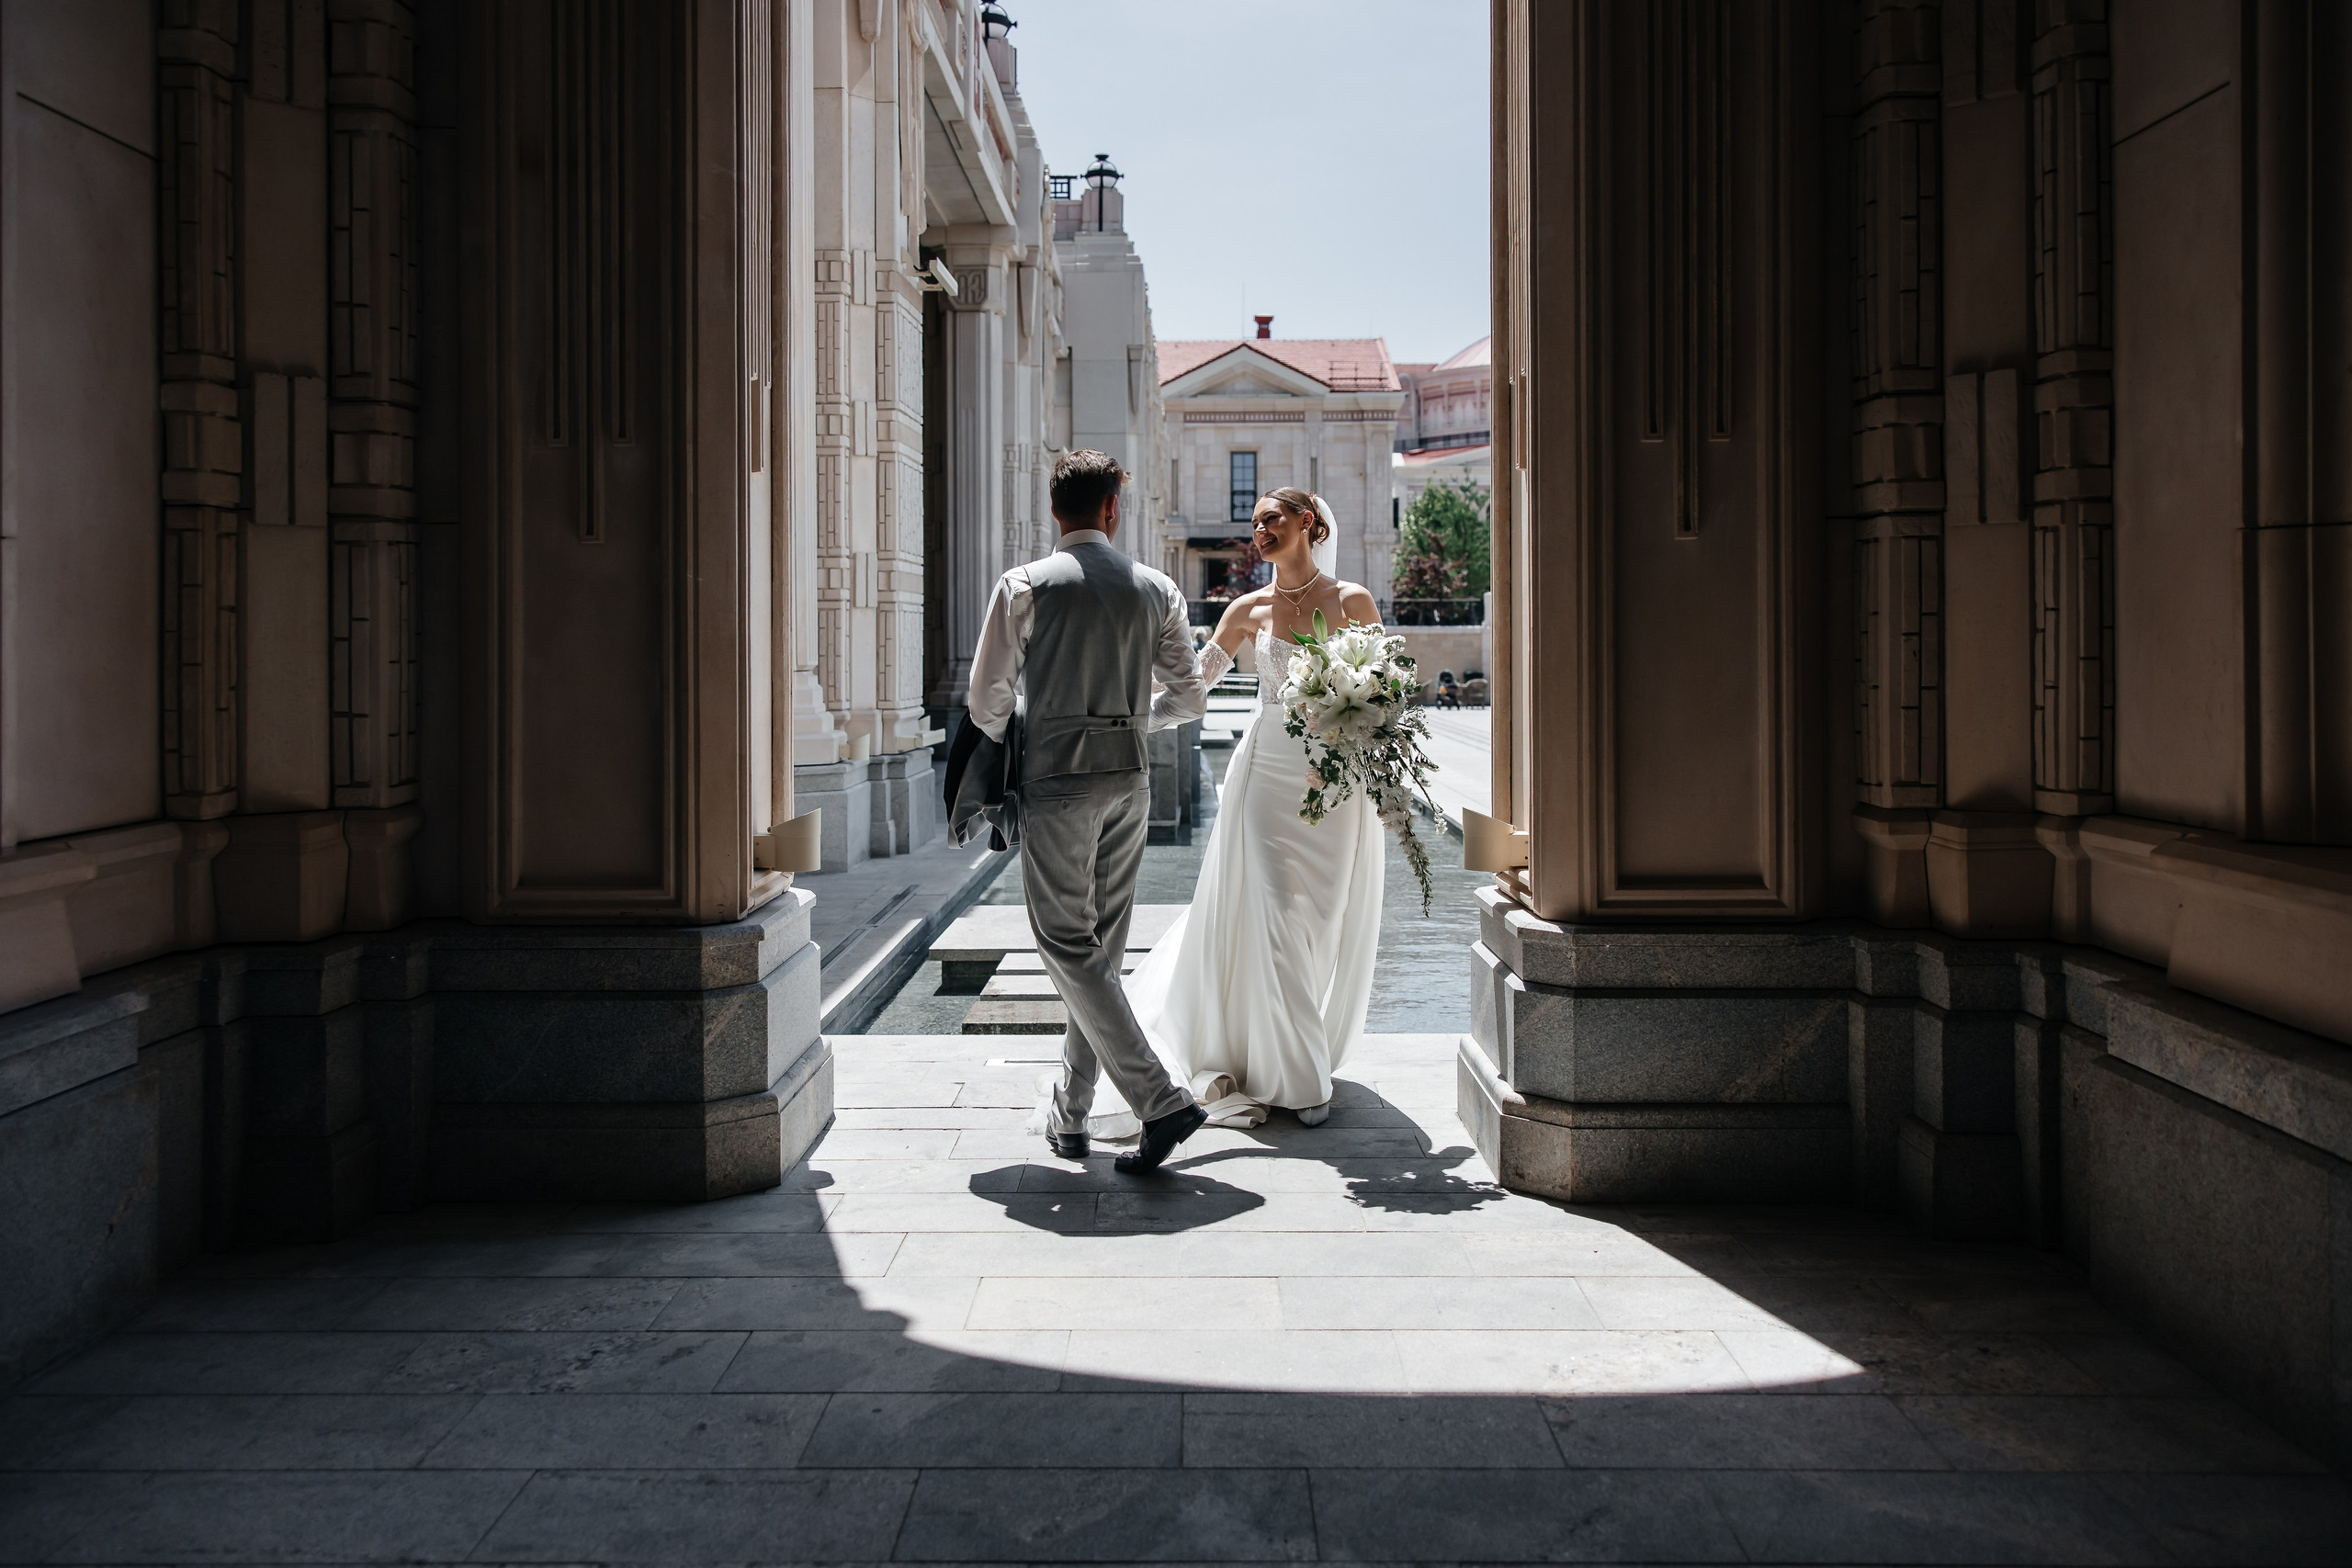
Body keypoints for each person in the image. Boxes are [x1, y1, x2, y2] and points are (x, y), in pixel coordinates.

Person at [1088, 487, 1387, 1134]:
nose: (1260, 531)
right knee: (1276, 907)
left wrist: (1359, 726)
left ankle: (1273, 1046)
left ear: (1308, 522)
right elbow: (1194, 683)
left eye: (1271, 520)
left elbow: (1385, 690)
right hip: (1265, 773)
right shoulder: (1247, 610)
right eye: (1254, 524)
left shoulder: (1354, 601)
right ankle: (1301, 1077)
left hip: (1334, 782)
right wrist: (1122, 707)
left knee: (1315, 919)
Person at [966, 450, 1209, 1174]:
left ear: (1054, 511)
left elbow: (987, 701)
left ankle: (1159, 1098)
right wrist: (1137, 720)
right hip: (1129, 780)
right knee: (1095, 953)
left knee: (1064, 944)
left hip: (1057, 781)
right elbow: (1190, 698)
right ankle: (1070, 1114)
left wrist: (1032, 729)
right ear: (1113, 509)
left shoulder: (1023, 586)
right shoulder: (1157, 587)